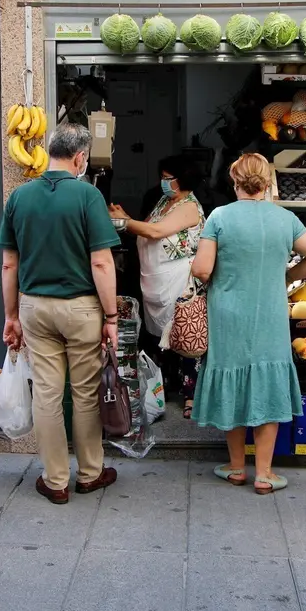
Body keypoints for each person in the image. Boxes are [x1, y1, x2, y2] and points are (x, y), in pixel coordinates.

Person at [0, 122, 121, 505]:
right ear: (80, 157)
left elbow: (8, 265)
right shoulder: (87, 196)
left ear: (49, 152)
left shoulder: (20, 197)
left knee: (47, 393)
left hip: (34, 307)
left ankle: (55, 480)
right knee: (84, 394)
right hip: (81, 307)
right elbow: (101, 263)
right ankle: (89, 474)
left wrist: (11, 315)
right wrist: (112, 317)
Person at [190, 154, 306, 494]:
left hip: (228, 314)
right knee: (266, 384)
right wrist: (287, 277)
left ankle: (237, 467)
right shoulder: (285, 219)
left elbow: (202, 269)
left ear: (234, 181)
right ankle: (265, 474)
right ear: (267, 183)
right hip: (269, 314)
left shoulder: (219, 217)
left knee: (232, 381)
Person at [109, 156, 205, 418]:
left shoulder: (188, 207)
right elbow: (148, 228)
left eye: (167, 178)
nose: (162, 182)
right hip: (156, 280)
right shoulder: (165, 201)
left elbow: (155, 232)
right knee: (160, 336)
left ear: (181, 179)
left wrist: (124, 223)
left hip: (179, 282)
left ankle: (191, 396)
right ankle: (166, 386)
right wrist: (125, 218)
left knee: (184, 334)